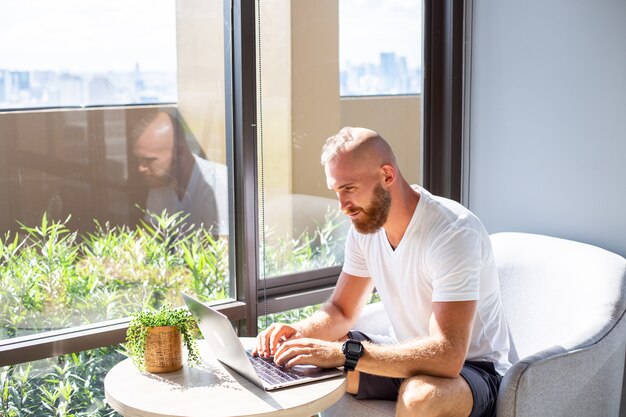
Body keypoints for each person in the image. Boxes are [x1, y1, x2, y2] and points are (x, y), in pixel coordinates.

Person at [253, 127, 510, 417]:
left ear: (387, 176)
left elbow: (448, 355)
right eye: (336, 191)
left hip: (472, 369)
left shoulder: (452, 233)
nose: (342, 206)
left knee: (420, 398)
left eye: (349, 188)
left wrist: (343, 354)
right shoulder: (365, 229)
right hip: (405, 351)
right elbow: (340, 309)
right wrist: (298, 334)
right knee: (300, 359)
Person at [131, 110, 228, 236]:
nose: (141, 168)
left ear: (179, 152)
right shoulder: (160, 184)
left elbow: (225, 252)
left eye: (149, 160)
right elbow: (146, 243)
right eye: (139, 159)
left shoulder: (218, 185)